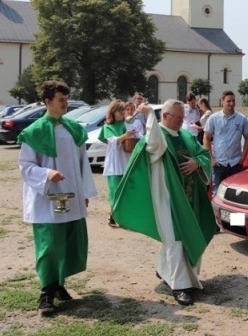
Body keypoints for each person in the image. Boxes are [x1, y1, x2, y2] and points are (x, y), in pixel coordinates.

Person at [113, 99, 215, 306]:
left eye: (182, 118)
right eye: (177, 118)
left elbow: (205, 155)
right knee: (175, 239)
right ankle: (180, 286)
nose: (181, 122)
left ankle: (165, 270)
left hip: (190, 197)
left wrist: (197, 162)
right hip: (167, 198)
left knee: (188, 234)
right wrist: (149, 114)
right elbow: (154, 144)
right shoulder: (156, 138)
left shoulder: (185, 135)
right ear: (165, 116)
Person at [17, 80, 97, 316]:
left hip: (70, 197)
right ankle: (46, 292)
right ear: (47, 101)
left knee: (68, 241)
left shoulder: (73, 129)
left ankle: (59, 283)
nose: (65, 104)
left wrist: (84, 193)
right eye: (61, 100)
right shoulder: (34, 132)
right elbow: (25, 166)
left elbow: (83, 165)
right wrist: (47, 173)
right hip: (46, 198)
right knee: (49, 244)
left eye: (66, 99)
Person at [203, 90, 248, 194]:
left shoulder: (241, 119)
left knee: (236, 193)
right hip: (219, 164)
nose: (232, 103)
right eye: (228, 101)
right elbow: (206, 138)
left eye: (233, 101)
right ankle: (217, 211)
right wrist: (211, 158)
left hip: (235, 163)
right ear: (222, 101)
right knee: (216, 193)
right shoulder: (214, 118)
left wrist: (243, 157)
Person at [99, 99, 137, 227]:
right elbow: (113, 141)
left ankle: (125, 216)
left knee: (127, 189)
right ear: (113, 112)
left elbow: (138, 135)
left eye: (123, 110)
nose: (122, 113)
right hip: (115, 162)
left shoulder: (127, 124)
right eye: (120, 110)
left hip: (127, 158)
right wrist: (125, 136)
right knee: (114, 189)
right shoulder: (108, 127)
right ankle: (113, 214)